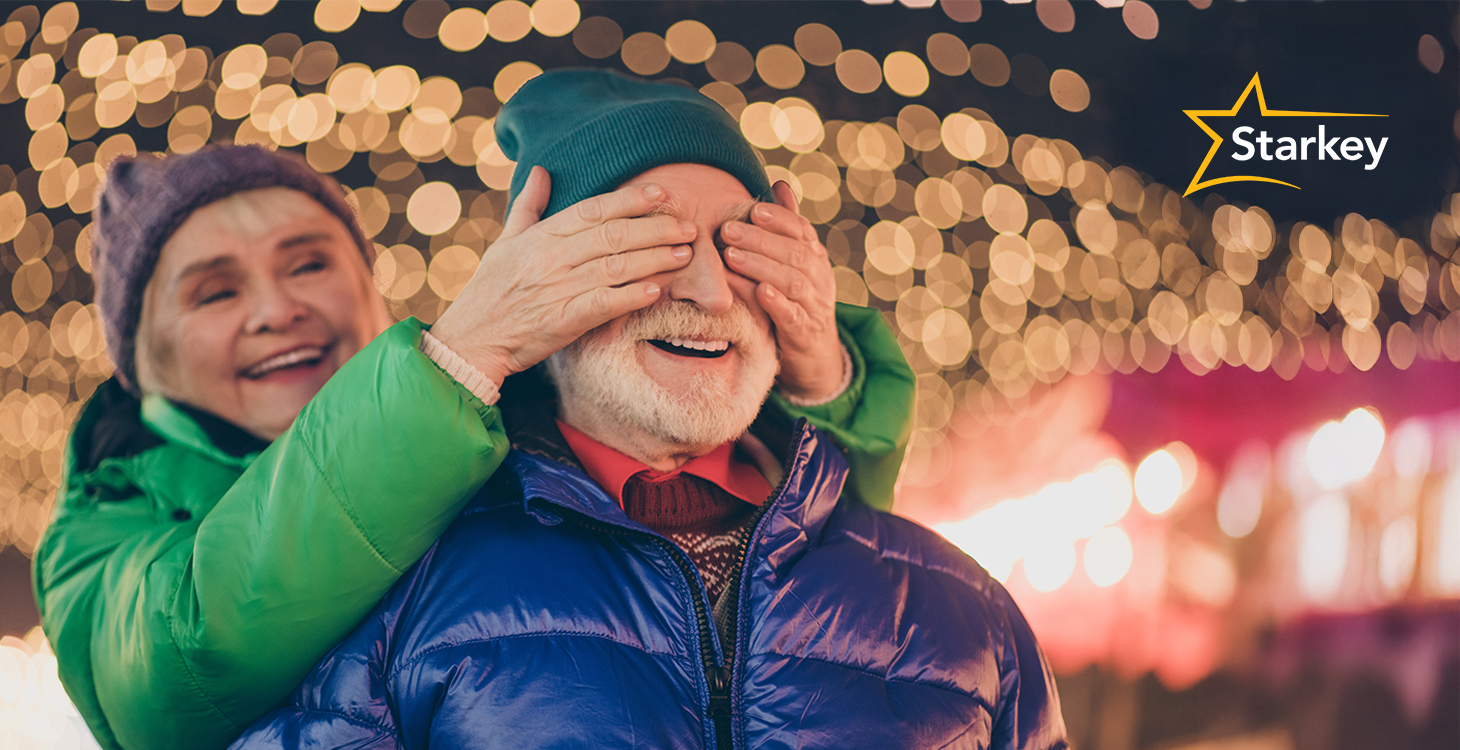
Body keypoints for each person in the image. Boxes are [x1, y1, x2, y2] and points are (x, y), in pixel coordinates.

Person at [232, 69, 1067, 750]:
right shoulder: (398, 602)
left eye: (744, 245)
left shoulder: (965, 610)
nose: (709, 293)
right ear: (543, 290)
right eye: (643, 245)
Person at [32, 140, 915, 748]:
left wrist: (825, 382)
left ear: (369, 287)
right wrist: (461, 356)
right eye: (214, 293)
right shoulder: (101, 526)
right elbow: (182, 662)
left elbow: (812, 569)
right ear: (142, 364)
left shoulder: (484, 434)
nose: (277, 310)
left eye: (309, 263)